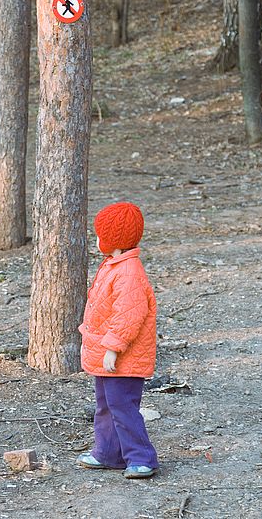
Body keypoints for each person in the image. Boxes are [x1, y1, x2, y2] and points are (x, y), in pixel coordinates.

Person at [76, 201, 159, 479]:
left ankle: (141, 457)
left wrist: (112, 348)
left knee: (123, 407)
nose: (97, 239)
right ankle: (108, 452)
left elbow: (129, 315)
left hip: (123, 358)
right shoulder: (113, 265)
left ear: (114, 239)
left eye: (100, 234)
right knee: (105, 406)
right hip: (107, 356)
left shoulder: (129, 272)